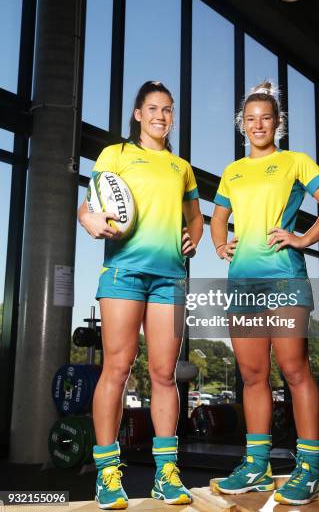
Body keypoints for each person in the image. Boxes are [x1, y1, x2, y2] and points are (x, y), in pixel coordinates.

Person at [210, 81, 319, 505]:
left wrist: (304, 240)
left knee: (294, 369)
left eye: (265, 118)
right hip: (244, 284)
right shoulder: (233, 171)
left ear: (277, 123)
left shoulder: (296, 161)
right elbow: (218, 217)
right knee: (252, 376)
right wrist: (220, 244)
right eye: (250, 119)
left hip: (285, 279)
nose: (258, 125)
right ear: (242, 125)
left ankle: (308, 468)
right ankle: (257, 466)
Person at [78, 81, 203, 508]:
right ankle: (107, 474)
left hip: (169, 279)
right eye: (153, 108)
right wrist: (90, 222)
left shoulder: (181, 167)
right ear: (137, 114)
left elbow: (196, 216)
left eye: (168, 110)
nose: (161, 116)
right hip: (124, 274)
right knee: (117, 367)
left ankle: (166, 474)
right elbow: (88, 205)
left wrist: (196, 237)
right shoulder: (115, 155)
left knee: (165, 374)